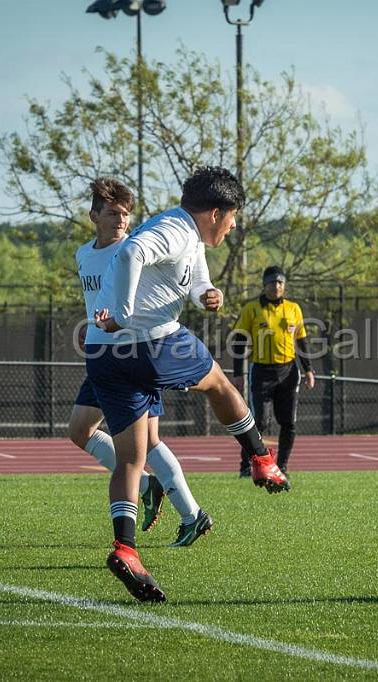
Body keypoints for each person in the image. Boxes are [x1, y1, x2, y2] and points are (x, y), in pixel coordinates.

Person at [88, 166, 288, 603]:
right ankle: (261, 458)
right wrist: (123, 312)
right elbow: (129, 254)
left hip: (104, 352)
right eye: (233, 217)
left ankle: (126, 548)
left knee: (131, 457)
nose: (233, 226)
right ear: (216, 212)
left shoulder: (187, 233)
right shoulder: (176, 231)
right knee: (220, 384)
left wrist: (207, 294)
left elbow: (195, 280)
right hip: (150, 342)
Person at [71, 177, 211, 549]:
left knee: (148, 442)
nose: (121, 221)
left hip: (136, 354)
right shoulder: (84, 255)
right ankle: (152, 488)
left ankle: (191, 514)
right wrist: (91, 327)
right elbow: (99, 303)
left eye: (126, 215)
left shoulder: (133, 252)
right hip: (104, 355)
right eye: (113, 214)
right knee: (80, 430)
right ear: (93, 216)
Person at [231, 265, 315, 478]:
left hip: (288, 371)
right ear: (264, 284)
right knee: (259, 421)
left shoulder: (294, 308)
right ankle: (247, 465)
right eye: (272, 282)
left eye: (280, 282)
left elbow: (302, 341)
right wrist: (238, 373)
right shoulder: (252, 309)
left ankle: (282, 466)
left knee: (288, 422)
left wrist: (309, 370)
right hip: (261, 372)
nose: (276, 286)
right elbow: (239, 340)